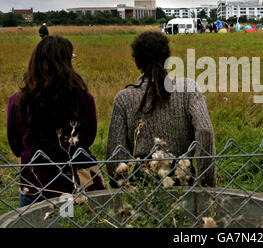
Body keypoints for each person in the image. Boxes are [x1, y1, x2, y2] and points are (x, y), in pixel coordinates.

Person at [106, 30, 216, 188]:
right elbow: (205, 131)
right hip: (183, 178)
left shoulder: (124, 98)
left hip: (142, 183)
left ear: (137, 62)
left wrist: (120, 185)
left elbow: (116, 151)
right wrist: (206, 183)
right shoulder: (188, 89)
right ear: (168, 60)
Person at [7, 36, 104, 207]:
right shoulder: (84, 99)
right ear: (67, 63)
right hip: (74, 184)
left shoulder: (18, 101)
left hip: (35, 183)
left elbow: (16, 147)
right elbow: (88, 139)